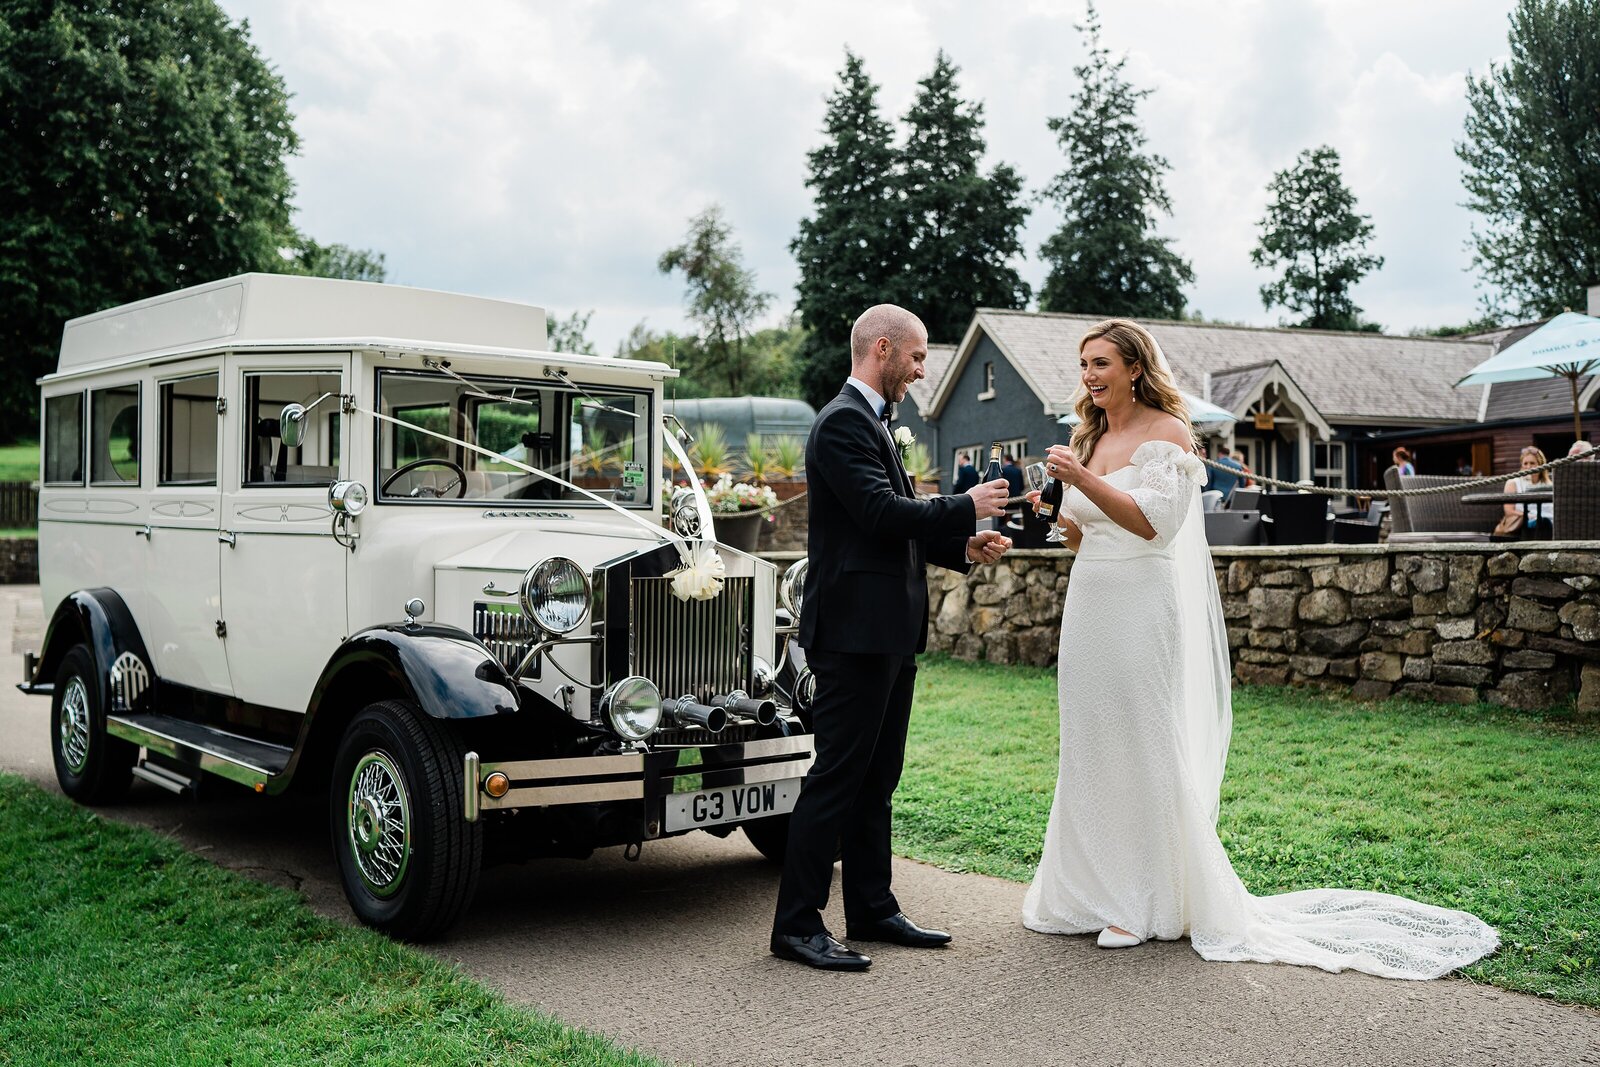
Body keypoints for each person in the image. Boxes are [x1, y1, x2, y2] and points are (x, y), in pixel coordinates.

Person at [1021, 317, 1497, 978]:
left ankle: (1143, 899)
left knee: (1141, 737)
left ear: (1134, 367)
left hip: (1140, 600)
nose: (1090, 376)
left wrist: (1084, 479)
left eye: (1101, 363)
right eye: (1083, 365)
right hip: (1092, 601)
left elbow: (1155, 525)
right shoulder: (1090, 437)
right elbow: (1085, 533)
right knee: (1092, 737)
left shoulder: (1167, 433)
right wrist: (1059, 510)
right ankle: (1087, 888)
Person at [771, 304, 1012, 972]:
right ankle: (795, 924)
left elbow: (888, 528)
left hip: (885, 633)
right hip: (851, 634)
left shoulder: (873, 422)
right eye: (918, 356)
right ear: (883, 349)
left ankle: (872, 908)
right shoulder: (844, 422)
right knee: (837, 778)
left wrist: (962, 543)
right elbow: (879, 514)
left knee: (877, 779)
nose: (922, 368)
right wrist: (966, 503)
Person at [1504, 446, 1553, 539]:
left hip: (1550, 520)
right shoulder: (1513, 483)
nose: (1528, 467)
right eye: (1525, 463)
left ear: (1541, 465)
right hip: (1526, 521)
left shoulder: (1548, 484)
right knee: (1543, 523)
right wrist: (1528, 515)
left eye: (1532, 463)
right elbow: (1509, 511)